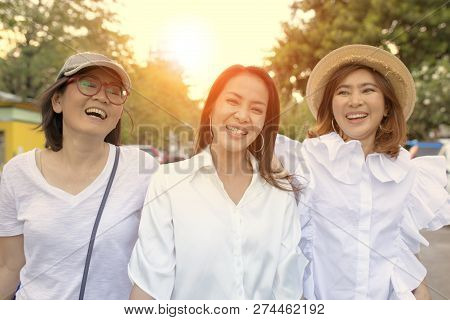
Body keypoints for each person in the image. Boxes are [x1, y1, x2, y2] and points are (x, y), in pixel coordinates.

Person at [276, 44, 450, 299]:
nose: (355, 101)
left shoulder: (407, 173)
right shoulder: (306, 160)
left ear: (387, 106)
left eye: (368, 90)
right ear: (331, 106)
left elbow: (402, 257)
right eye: (343, 92)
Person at [128, 65, 306, 299]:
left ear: (265, 122)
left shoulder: (280, 193)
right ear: (211, 109)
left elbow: (288, 294)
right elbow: (149, 290)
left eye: (256, 109)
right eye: (232, 101)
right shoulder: (169, 183)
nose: (242, 116)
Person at [0, 52, 158, 299]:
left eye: (114, 91)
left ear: (119, 113)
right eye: (88, 83)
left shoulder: (142, 169)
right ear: (57, 101)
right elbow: (9, 266)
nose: (102, 96)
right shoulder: (17, 173)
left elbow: (161, 261)